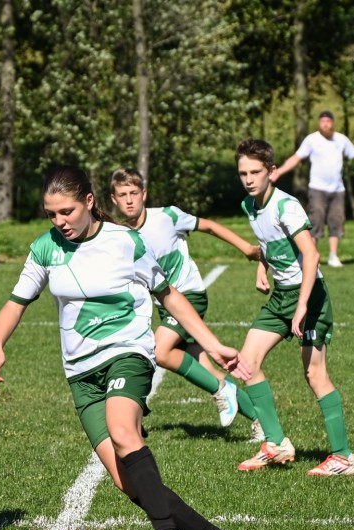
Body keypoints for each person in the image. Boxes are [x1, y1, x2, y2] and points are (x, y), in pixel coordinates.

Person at [0, 165, 249, 530]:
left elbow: (169, 296)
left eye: (67, 211)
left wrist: (212, 345)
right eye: (51, 214)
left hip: (127, 353)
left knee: (124, 433)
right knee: (129, 481)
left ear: (89, 202)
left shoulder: (125, 242)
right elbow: (16, 302)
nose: (59, 221)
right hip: (80, 372)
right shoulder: (45, 248)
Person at [109, 168, 264, 441]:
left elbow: (210, 226)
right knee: (206, 369)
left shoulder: (167, 216)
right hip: (166, 308)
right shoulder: (120, 236)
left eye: (134, 193)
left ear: (144, 194)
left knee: (160, 351)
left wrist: (247, 248)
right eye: (122, 195)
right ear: (114, 199)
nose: (129, 200)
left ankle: (220, 389)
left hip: (190, 297)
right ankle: (262, 422)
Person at [234, 138, 354, 476]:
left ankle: (344, 457)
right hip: (281, 298)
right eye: (243, 173)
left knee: (315, 374)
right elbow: (267, 242)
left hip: (310, 296)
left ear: (271, 171)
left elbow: (312, 254)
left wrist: (302, 306)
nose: (249, 179)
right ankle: (276, 443)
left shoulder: (286, 206)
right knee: (246, 364)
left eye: (256, 172)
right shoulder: (249, 205)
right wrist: (262, 267)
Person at [271, 110, 354, 268]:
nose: (326, 124)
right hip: (317, 188)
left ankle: (333, 256)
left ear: (333, 123)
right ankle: (312, 256)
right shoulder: (312, 140)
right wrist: (279, 171)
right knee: (316, 221)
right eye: (323, 121)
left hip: (337, 189)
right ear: (319, 123)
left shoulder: (341, 140)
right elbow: (296, 158)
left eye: (328, 121)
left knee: (336, 221)